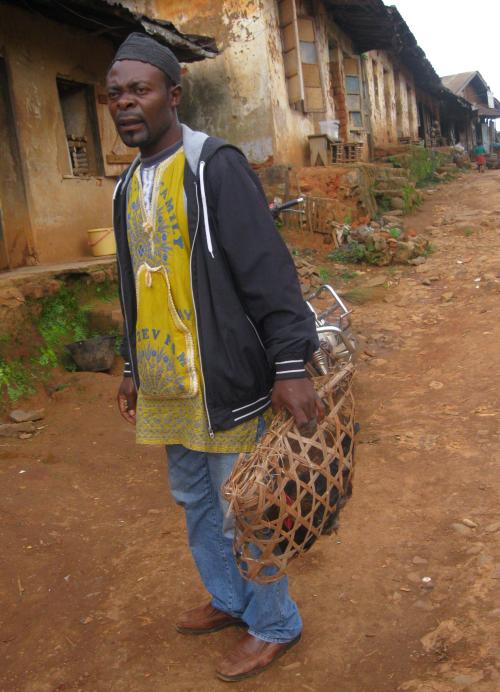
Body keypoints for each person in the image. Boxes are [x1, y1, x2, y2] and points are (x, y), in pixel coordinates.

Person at [107, 33, 324, 682]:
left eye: (139, 90)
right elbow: (133, 283)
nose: (125, 103)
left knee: (245, 507)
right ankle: (230, 598)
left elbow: (268, 270)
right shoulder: (127, 186)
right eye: (114, 94)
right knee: (196, 500)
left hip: (226, 381)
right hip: (169, 382)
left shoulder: (213, 167)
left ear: (173, 94)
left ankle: (275, 623)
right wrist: (132, 365)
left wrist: (290, 364)